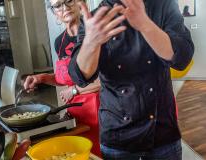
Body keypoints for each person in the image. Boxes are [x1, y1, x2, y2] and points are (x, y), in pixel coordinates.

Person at [69, 0, 194, 159]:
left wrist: (145, 25)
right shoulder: (95, 18)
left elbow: (182, 57)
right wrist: (90, 43)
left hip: (163, 134)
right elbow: (80, 75)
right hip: (118, 138)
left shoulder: (165, 5)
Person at [23, 0, 100, 123]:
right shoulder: (59, 42)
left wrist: (75, 90)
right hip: (75, 109)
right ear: (54, 12)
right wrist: (41, 78)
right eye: (58, 5)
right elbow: (66, 77)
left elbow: (108, 79)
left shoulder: (95, 32)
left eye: (69, 1)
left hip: (102, 108)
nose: (65, 7)